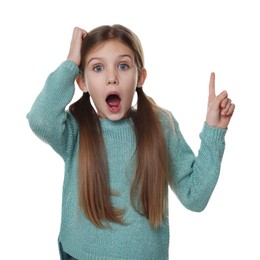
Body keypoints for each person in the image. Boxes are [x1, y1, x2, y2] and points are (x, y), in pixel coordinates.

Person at [27, 24, 235, 260]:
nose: (112, 78)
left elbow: (194, 196)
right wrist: (70, 63)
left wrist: (214, 132)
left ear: (140, 77)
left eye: (123, 66)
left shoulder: (160, 125)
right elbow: (40, 119)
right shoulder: (76, 129)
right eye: (97, 68)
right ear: (83, 83)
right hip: (79, 254)